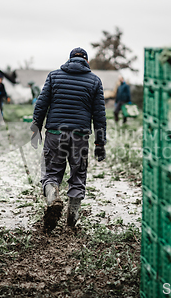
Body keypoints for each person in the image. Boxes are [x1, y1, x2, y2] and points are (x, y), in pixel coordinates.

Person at [30, 47, 106, 231]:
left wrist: (36, 129)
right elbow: (99, 115)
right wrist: (99, 143)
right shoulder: (95, 81)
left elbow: (41, 104)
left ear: (69, 60)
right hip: (79, 136)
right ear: (86, 62)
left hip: (55, 134)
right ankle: (73, 218)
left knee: (51, 172)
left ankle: (53, 198)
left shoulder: (54, 76)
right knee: (78, 176)